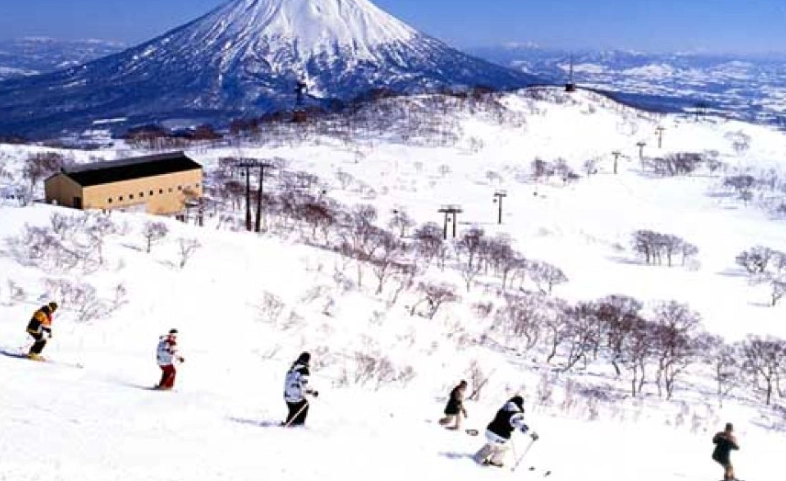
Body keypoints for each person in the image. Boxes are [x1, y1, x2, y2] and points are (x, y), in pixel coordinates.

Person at [473, 395, 538, 467]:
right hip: (500, 434)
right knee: (503, 447)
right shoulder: (516, 413)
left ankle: (479, 456)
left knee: (492, 444)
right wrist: (531, 434)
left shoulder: (504, 408)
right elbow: (522, 425)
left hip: (490, 430)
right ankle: (495, 461)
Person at [283, 351, 318, 426]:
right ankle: (299, 426)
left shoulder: (292, 368)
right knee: (305, 405)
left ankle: (289, 423)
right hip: (295, 396)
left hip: (287, 396)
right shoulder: (304, 370)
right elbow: (305, 384)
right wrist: (312, 392)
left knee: (294, 410)